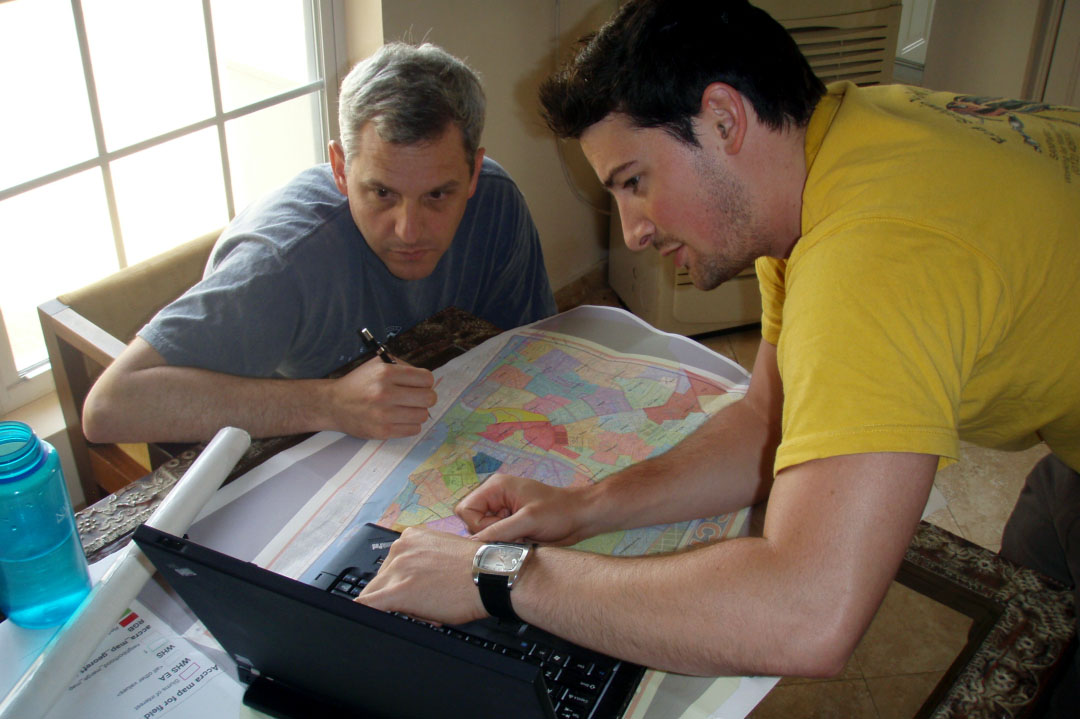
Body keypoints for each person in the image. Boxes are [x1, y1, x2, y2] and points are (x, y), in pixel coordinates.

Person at [354, 1, 1080, 713]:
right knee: (1034, 613)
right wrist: (584, 506)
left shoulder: (870, 257)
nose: (632, 232)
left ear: (725, 120)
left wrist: (499, 575)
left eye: (634, 181)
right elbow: (766, 419)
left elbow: (808, 611)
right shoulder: (832, 148)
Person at [83, 42, 556, 444]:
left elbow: (532, 348)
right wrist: (329, 403)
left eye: (437, 195)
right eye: (382, 193)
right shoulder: (282, 261)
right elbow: (109, 407)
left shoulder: (496, 201)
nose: (409, 231)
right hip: (294, 447)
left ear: (473, 172)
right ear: (340, 168)